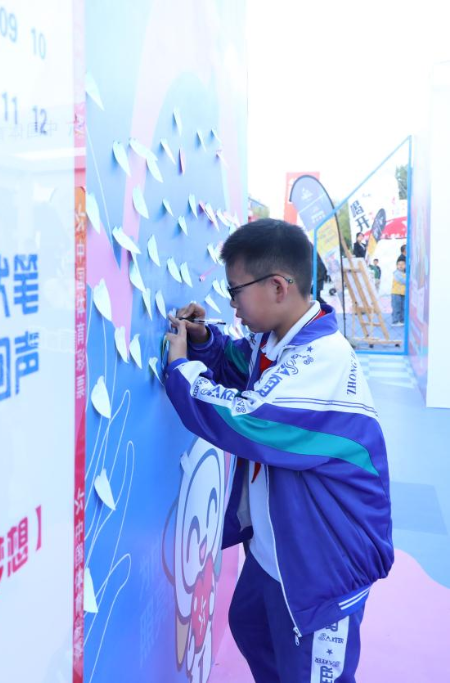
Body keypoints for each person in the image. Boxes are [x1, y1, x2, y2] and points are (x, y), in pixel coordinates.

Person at [163, 219, 393, 682]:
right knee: (252, 628)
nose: (232, 305)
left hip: (324, 566)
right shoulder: (276, 341)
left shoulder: (323, 360)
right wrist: (205, 341)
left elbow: (247, 419)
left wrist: (181, 369)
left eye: (236, 292)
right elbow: (240, 363)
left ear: (277, 287)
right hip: (281, 551)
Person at [391, 259, 407, 326]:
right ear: (397, 266)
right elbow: (403, 281)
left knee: (403, 307)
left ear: (405, 266)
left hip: (403, 293)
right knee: (396, 307)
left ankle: (401, 320)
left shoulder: (405, 274)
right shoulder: (396, 273)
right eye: (399, 264)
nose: (401, 266)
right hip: (396, 293)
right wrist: (410, 280)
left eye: (403, 264)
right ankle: (395, 321)